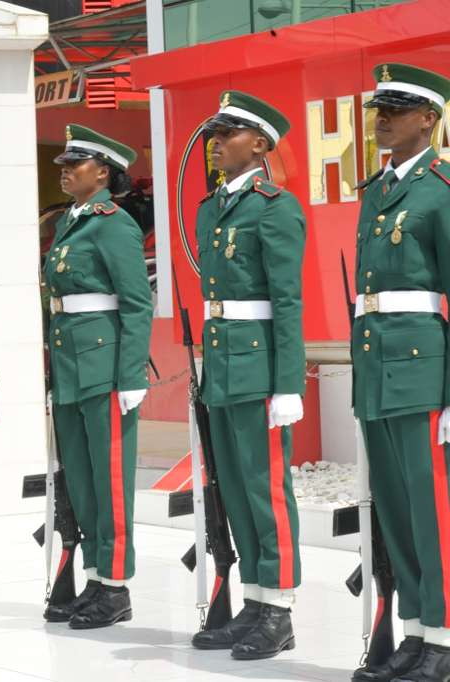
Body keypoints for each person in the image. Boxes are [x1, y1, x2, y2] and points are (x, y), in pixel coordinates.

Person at [190, 90, 306, 660]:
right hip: (223, 364)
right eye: (214, 134)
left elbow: (287, 301)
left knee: (265, 490)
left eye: (227, 134)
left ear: (259, 145)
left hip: (259, 368)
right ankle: (255, 602)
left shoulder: (275, 207)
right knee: (234, 490)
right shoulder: (211, 208)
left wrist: (289, 383)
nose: (215, 143)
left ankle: (279, 609)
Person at [349, 63, 450, 682]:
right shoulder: (376, 190)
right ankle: (414, 633)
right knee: (396, 508)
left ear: (430, 119)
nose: (382, 121)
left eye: (397, 110)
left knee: (432, 509)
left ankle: (442, 639)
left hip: (422, 370)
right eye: (380, 110)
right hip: (377, 368)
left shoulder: (440, 191)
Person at [42, 124, 153, 630]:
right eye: (64, 164)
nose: (65, 172)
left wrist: (131, 374)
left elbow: (135, 302)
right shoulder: (71, 221)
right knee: (82, 482)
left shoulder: (113, 224)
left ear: (103, 172)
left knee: (109, 481)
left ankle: (115, 584)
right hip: (71, 365)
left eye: (75, 165)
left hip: (105, 367)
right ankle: (94, 575)